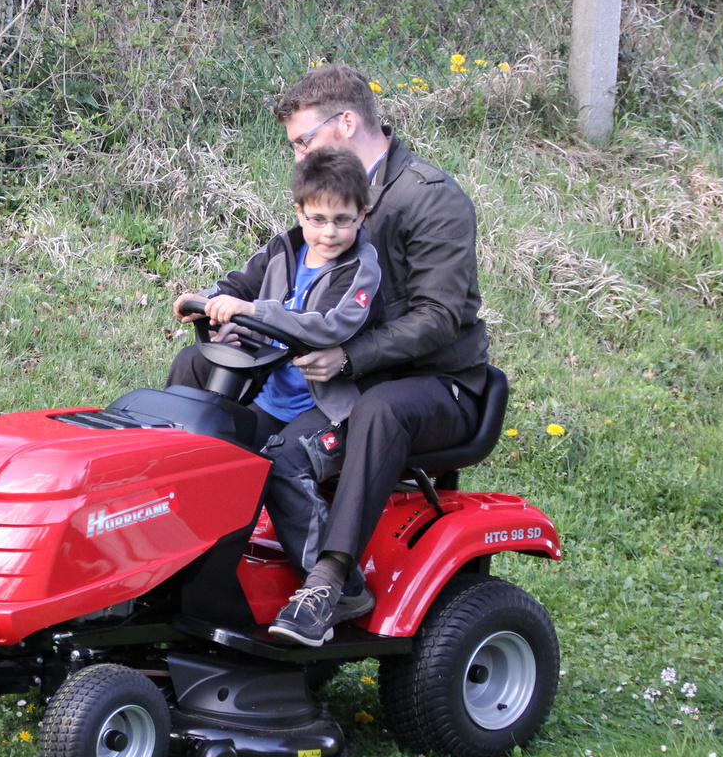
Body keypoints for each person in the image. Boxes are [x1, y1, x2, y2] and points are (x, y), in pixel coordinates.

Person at [262, 63, 490, 647]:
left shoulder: (429, 198)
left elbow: (439, 318)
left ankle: (331, 585)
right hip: (352, 381)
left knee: (380, 411)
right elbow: (282, 272)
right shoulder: (330, 197)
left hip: (440, 384)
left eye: (303, 141)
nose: (297, 158)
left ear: (345, 122)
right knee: (252, 426)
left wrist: (346, 357)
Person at [169, 146, 382, 615]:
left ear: (362, 215)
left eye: (343, 220)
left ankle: (335, 588)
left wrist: (252, 312)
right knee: (215, 452)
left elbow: (329, 325)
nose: (330, 232)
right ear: (300, 212)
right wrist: (208, 300)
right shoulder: (283, 249)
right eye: (319, 218)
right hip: (269, 395)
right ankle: (187, 565)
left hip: (328, 409)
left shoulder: (361, 268)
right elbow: (239, 284)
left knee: (283, 463)